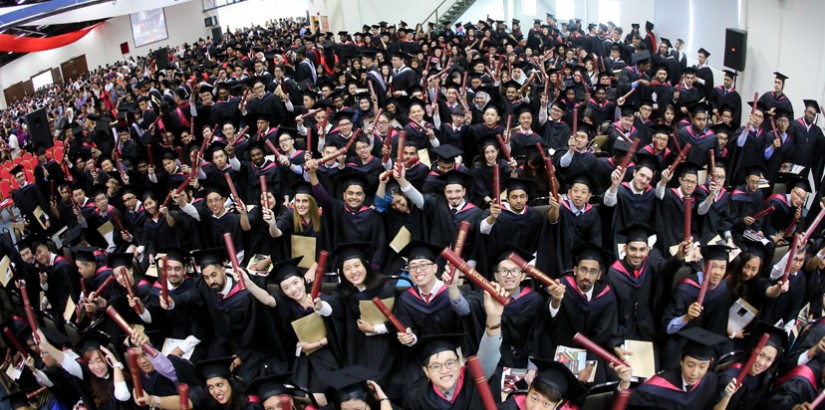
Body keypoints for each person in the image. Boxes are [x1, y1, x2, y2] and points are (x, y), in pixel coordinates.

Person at [628, 327, 730, 409]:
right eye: (690, 365)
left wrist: (727, 396)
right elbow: (627, 401)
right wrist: (624, 383)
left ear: (710, 363)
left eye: (702, 366)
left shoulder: (710, 381)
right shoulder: (659, 386)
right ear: (681, 360)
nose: (694, 372)